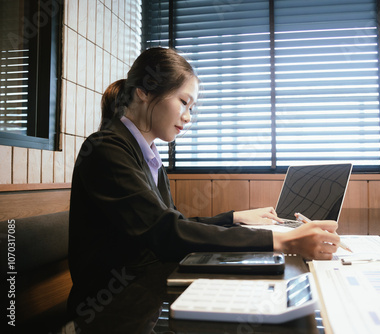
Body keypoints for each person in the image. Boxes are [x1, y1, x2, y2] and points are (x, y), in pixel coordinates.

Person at [67, 47, 341, 331]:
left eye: (192, 108)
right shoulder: (107, 149)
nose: (188, 117)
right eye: (184, 102)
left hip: (143, 294)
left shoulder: (147, 154)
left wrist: (234, 218)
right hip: (109, 313)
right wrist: (283, 242)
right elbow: (164, 232)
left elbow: (173, 224)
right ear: (145, 91)